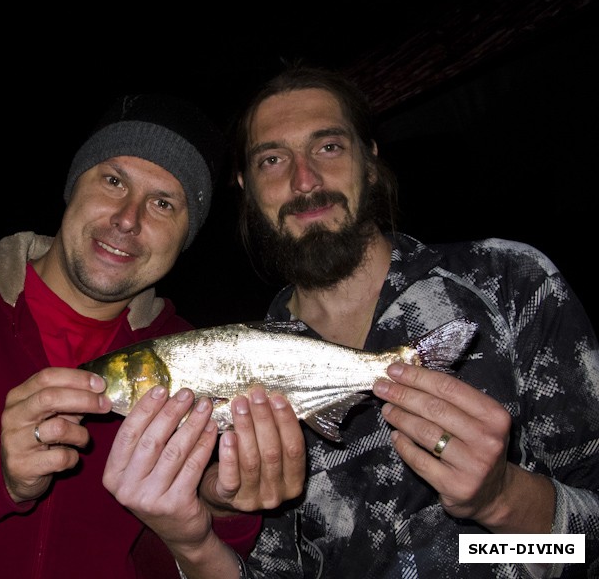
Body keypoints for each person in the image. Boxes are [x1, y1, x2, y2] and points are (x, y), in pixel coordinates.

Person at [102, 65, 599, 578]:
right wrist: (195, 543)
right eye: (273, 159)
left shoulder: (510, 282)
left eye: (329, 147)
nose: (304, 179)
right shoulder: (233, 379)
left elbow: (590, 546)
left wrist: (502, 501)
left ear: (370, 159)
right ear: (247, 189)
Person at [0, 93, 306, 578]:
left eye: (163, 204)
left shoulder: (197, 358)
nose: (127, 219)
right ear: (73, 187)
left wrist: (221, 510)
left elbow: (168, 556)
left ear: (185, 238)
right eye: (113, 180)